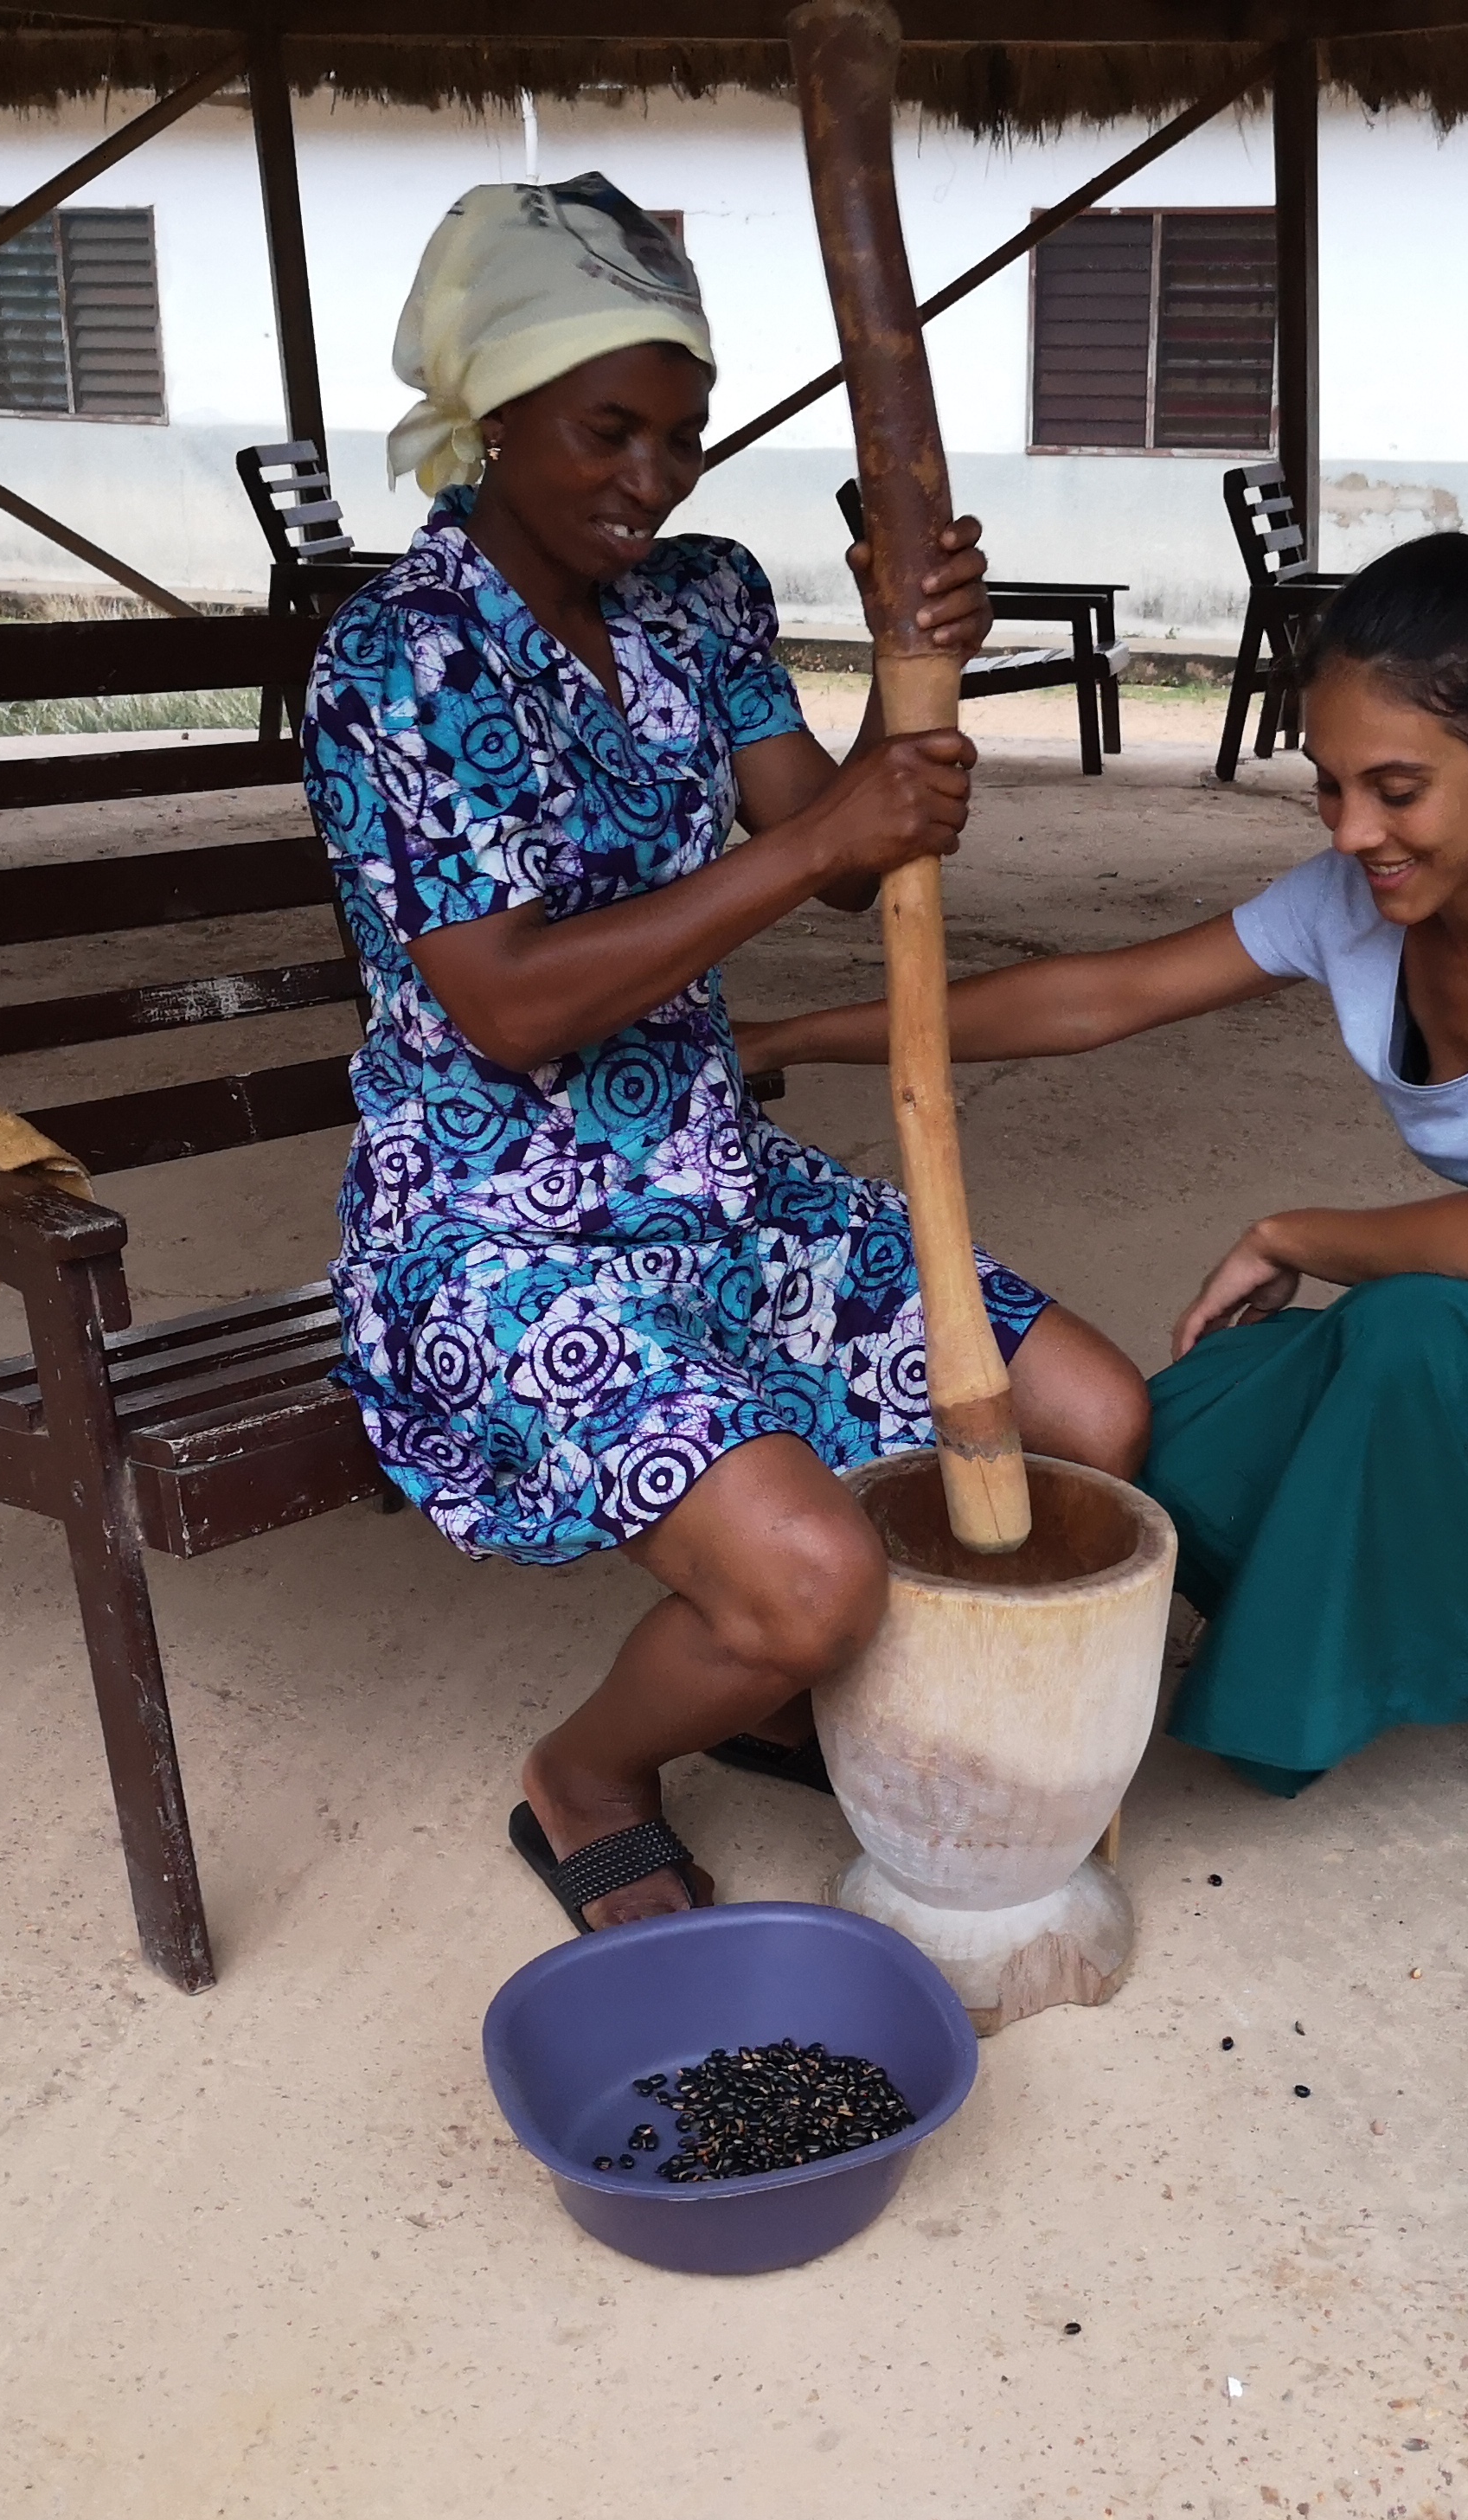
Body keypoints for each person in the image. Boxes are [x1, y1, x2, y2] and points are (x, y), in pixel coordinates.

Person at [303, 175, 1151, 1934]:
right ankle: (591, 1774)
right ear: (493, 411)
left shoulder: (699, 602)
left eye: (681, 436)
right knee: (813, 1579)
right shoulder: (400, 660)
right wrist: (822, 837)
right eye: (607, 431)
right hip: (495, 1231)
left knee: (1090, 1417)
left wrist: (914, 674)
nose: (655, 478)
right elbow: (510, 1005)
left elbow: (834, 851)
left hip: (715, 1188)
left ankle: (780, 1674)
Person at [739, 525, 1468, 1844]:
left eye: (1398, 789)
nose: (1356, 831)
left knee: (1412, 1331)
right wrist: (795, 1034)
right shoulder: (1357, 897)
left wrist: (1289, 1233)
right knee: (1163, 1447)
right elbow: (1097, 997)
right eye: (1330, 786)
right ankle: (1378, 1602)